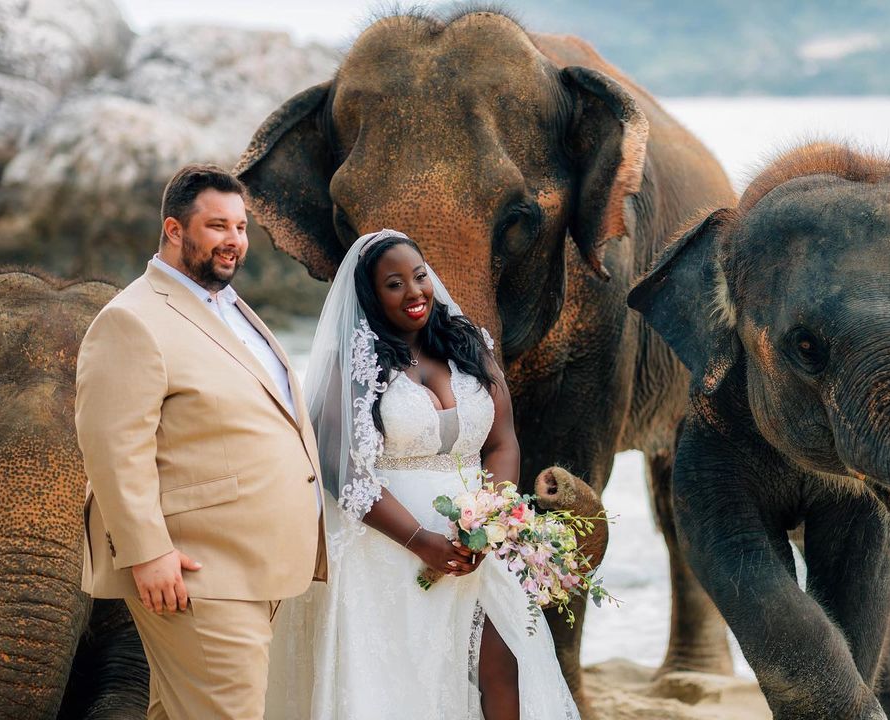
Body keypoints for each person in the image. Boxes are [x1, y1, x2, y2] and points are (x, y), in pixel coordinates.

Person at [266, 229, 579, 720]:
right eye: (395, 284)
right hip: (386, 551)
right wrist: (420, 541)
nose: (414, 292)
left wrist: (493, 518)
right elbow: (339, 469)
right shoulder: (350, 365)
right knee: (406, 687)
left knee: (504, 665)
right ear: (372, 296)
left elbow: (501, 440)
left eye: (420, 276)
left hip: (477, 544)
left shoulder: (467, 346)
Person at [75, 163, 328, 719]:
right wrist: (149, 553)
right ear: (174, 229)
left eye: (240, 228)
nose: (234, 241)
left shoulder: (230, 309)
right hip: (196, 571)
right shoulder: (133, 320)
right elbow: (114, 448)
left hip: (254, 564)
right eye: (217, 226)